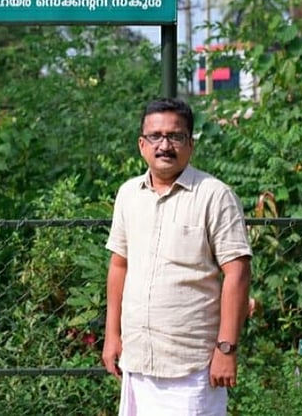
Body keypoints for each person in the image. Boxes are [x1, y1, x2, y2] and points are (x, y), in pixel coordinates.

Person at [101, 97, 252, 416]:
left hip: (192, 366)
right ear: (142, 144)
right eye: (155, 136)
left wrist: (226, 348)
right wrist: (111, 334)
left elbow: (237, 273)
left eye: (175, 136)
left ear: (190, 144)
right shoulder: (129, 194)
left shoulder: (215, 195)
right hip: (139, 359)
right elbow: (119, 265)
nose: (164, 145)